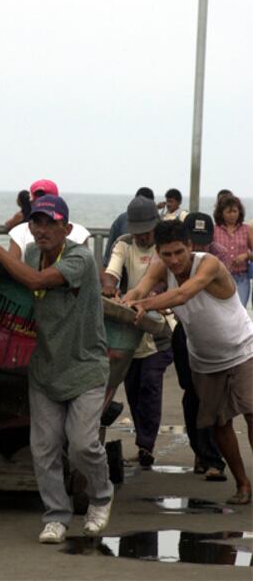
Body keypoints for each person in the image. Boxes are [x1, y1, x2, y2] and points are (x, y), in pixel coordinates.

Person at [0, 195, 113, 543]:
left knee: (82, 445)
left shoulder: (79, 257)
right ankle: (56, 516)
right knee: (44, 449)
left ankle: (101, 498)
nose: (43, 229)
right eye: (37, 222)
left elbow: (35, 283)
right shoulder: (32, 255)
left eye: (51, 223)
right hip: (45, 369)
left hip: (85, 368)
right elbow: (11, 279)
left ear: (66, 228)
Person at [123, 219, 253, 505]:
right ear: (158, 252)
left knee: (252, 412)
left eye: (179, 252)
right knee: (220, 424)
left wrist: (145, 305)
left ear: (190, 246)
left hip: (243, 349)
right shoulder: (162, 267)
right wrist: (126, 302)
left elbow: (183, 294)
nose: (174, 260)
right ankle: (243, 484)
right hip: (204, 360)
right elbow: (139, 290)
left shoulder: (208, 265)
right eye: (167, 254)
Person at [102, 196, 173, 469]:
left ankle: (147, 444)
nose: (142, 236)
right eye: (138, 230)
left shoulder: (164, 248)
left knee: (150, 386)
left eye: (147, 230)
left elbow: (166, 282)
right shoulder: (123, 244)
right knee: (132, 386)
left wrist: (153, 297)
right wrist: (109, 286)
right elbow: (111, 272)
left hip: (160, 326)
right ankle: (144, 442)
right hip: (130, 323)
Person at [172, 212, 228, 480]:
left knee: (215, 399)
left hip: (218, 337)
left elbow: (187, 294)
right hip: (186, 332)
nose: (200, 247)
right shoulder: (171, 260)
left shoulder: (216, 258)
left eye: (204, 241)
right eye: (195, 241)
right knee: (191, 394)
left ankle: (213, 458)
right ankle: (201, 451)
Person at [8, 179, 90, 260]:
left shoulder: (19, 232)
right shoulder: (79, 232)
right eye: (38, 222)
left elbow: (10, 266)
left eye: (51, 223)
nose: (42, 231)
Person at [213, 194, 253, 307]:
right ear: (221, 213)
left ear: (239, 212)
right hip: (220, 277)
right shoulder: (215, 230)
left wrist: (246, 255)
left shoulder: (246, 229)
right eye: (228, 212)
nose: (232, 215)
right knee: (222, 311)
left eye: (235, 211)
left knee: (240, 311)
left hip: (241, 278)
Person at [102, 187, 155, 268]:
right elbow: (109, 256)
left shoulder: (121, 220)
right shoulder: (122, 240)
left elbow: (107, 257)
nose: (142, 236)